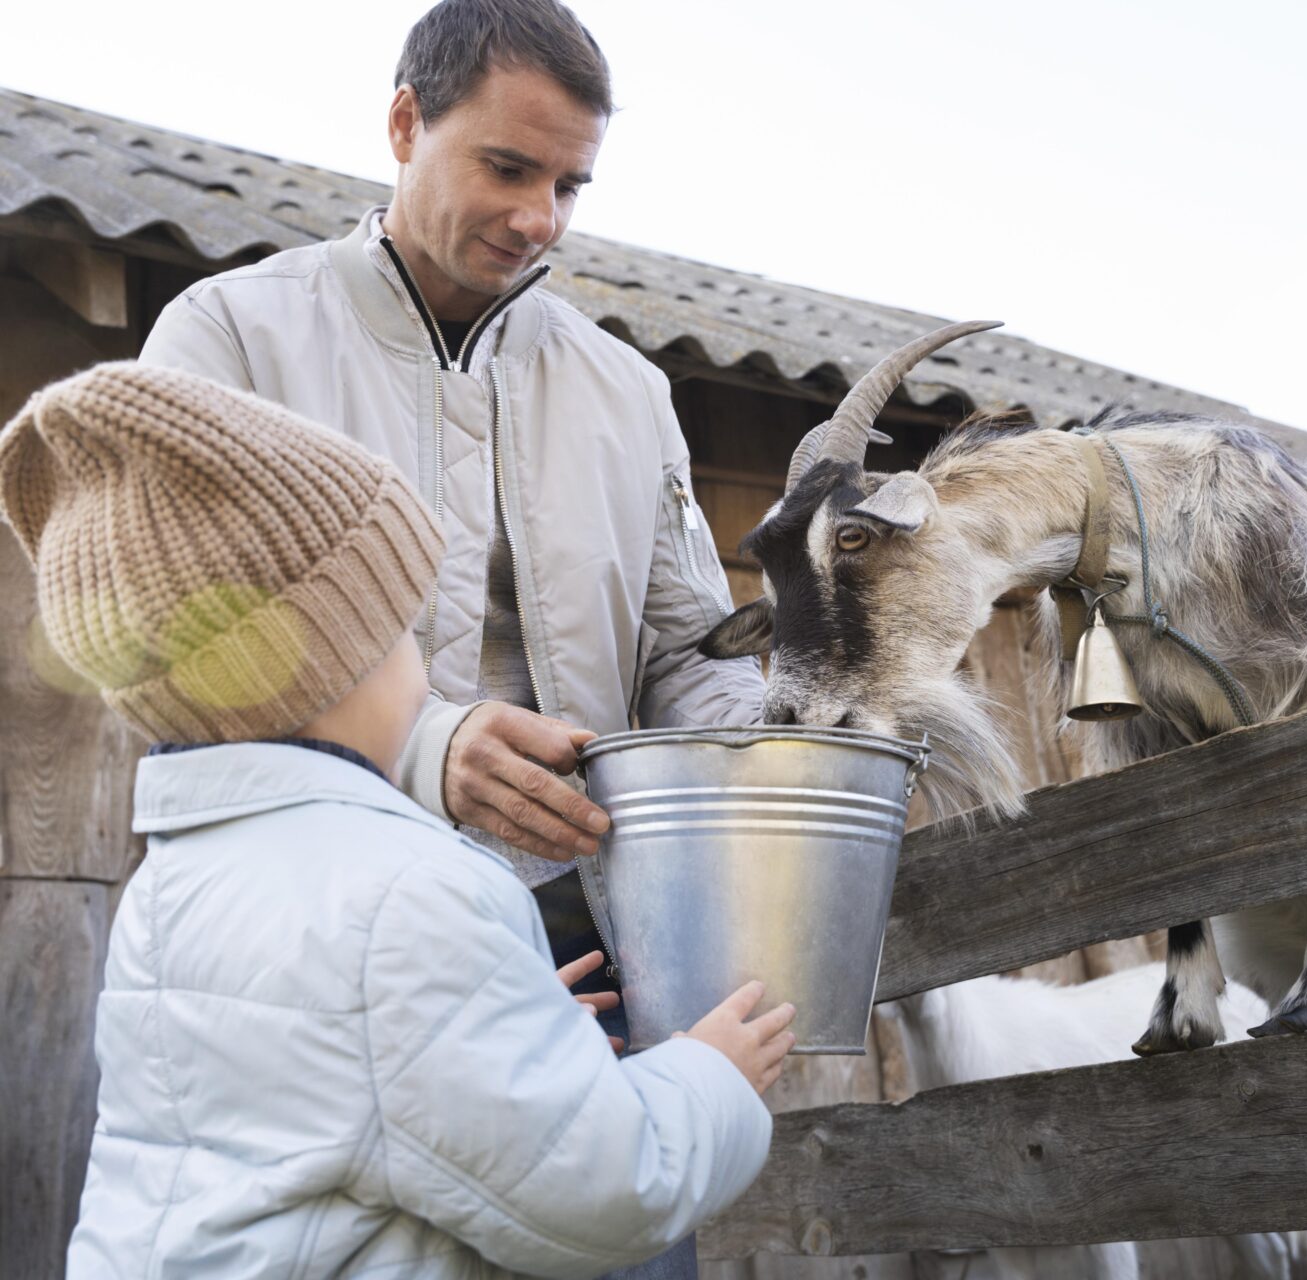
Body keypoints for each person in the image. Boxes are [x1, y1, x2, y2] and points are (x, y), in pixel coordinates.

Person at [0, 362, 794, 1279]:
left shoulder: (174, 884)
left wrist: (511, 1038)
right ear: (329, 665)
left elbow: (341, 1078)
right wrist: (710, 1075)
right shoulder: (414, 891)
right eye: (399, 635)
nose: (423, 674)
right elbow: (607, 1187)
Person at [137, 0, 765, 1054]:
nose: (542, 219)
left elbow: (684, 651)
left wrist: (776, 744)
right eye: (509, 169)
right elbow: (170, 638)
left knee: (614, 1208)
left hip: (587, 931)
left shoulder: (629, 390)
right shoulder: (227, 337)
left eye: (569, 185)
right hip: (302, 918)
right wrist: (422, 742)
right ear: (402, 125)